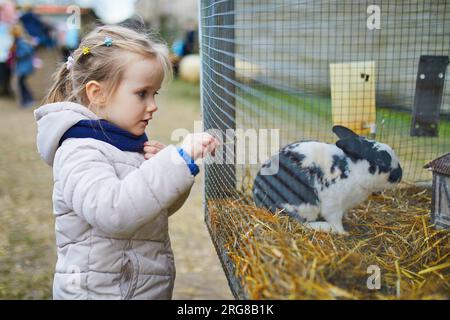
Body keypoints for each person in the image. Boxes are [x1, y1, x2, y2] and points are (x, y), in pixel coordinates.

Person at [34, 25, 219, 300]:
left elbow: (155, 209)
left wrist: (169, 168)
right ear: (97, 94)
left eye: (154, 94)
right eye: (142, 93)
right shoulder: (79, 150)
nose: (153, 105)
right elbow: (115, 212)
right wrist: (174, 162)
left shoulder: (125, 142)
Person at [11, 23, 34, 107]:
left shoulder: (20, 40)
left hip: (24, 66)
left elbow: (28, 51)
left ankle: (28, 100)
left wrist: (18, 55)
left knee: (21, 83)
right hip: (22, 66)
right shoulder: (18, 40)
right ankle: (27, 100)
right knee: (22, 83)